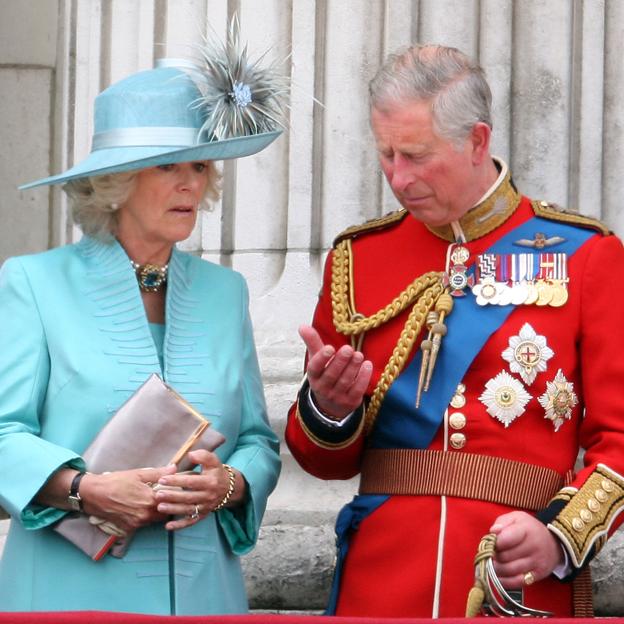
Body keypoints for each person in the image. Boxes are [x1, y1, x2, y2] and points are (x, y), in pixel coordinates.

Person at [286, 44, 624, 618]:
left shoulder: (586, 256)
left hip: (515, 580)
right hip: (381, 582)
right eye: (386, 154)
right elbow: (322, 460)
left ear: (477, 141)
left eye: (417, 155)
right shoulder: (359, 258)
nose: (399, 176)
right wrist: (328, 408)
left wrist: (559, 537)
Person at [0, 32, 284, 615]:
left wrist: (227, 485)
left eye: (200, 166)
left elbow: (258, 440)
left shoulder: (224, 293)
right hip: (70, 591)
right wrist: (86, 491)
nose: (190, 183)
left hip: (207, 593)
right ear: (115, 183)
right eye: (166, 166)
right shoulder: (35, 283)